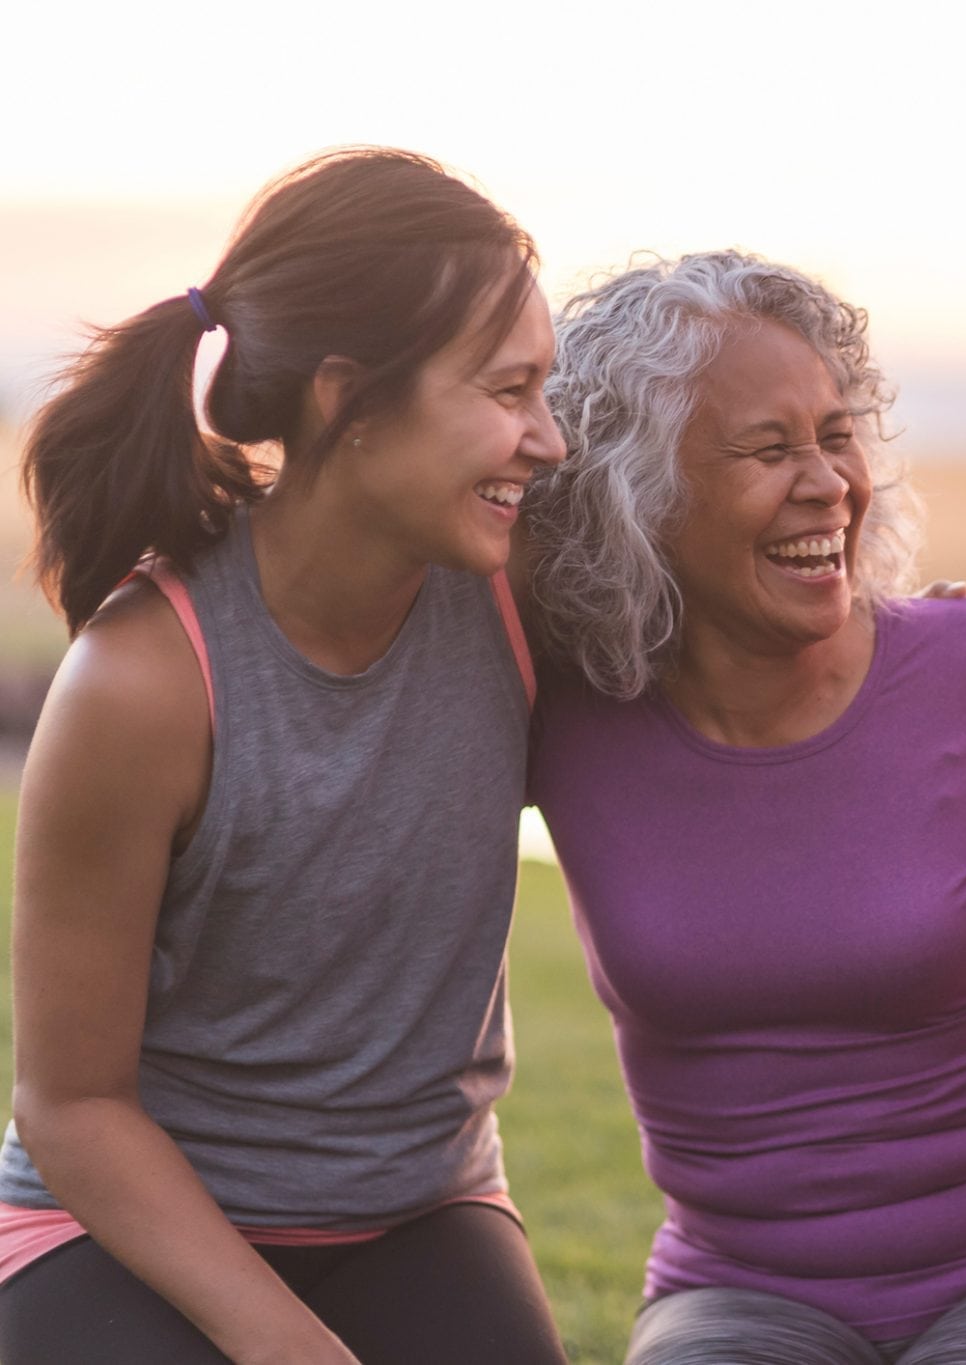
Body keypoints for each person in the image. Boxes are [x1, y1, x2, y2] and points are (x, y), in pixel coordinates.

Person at [520, 250, 966, 1365]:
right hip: (737, 1288)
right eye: (769, 450)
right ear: (639, 497)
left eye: (833, 434)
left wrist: (956, 1046)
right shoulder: (564, 712)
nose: (828, 482)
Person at [0, 149, 571, 1365]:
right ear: (342, 398)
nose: (550, 440)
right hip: (116, 1229)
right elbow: (71, 1105)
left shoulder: (522, 598)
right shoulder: (144, 685)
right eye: (508, 389)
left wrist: (955, 636)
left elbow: (754, 662)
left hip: (420, 1210)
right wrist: (280, 1342)